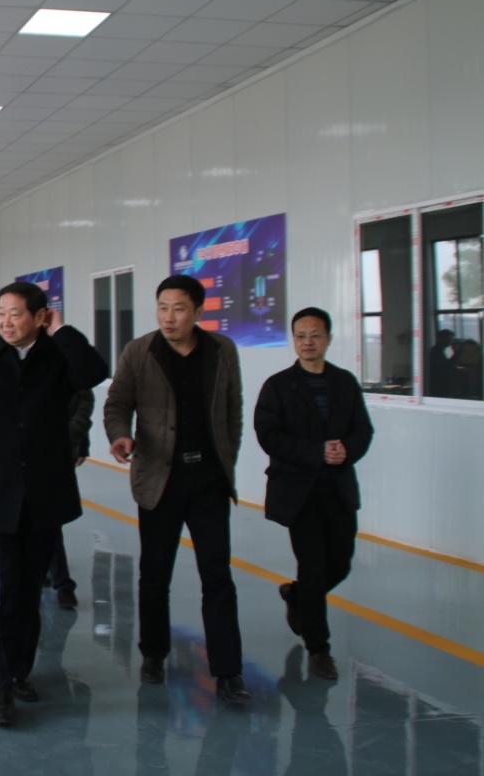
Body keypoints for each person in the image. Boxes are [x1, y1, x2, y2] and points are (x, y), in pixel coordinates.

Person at [0, 281, 107, 726]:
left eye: (16, 313)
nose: (6, 322)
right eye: (1, 314)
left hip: (44, 493)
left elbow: (93, 373)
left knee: (29, 594)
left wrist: (63, 331)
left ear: (40, 316)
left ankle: (19, 671)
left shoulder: (57, 355)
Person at [103, 274, 249, 705]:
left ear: (199, 312)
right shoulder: (139, 351)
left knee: (217, 576)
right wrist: (120, 434)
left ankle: (228, 671)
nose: (169, 317)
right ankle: (153, 653)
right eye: (163, 308)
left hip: (208, 481)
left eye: (179, 309)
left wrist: (227, 460)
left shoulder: (222, 351)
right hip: (158, 479)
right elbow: (117, 402)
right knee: (154, 573)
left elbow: (233, 410)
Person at [254, 307, 373, 680]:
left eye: (315, 335)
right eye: (300, 336)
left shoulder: (344, 382)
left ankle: (297, 595)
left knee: (341, 563)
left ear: (328, 339)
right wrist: (316, 451)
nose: (307, 342)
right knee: (314, 567)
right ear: (294, 340)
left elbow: (363, 429)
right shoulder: (278, 386)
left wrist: (346, 450)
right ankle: (319, 648)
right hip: (299, 493)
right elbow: (268, 434)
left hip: (337, 490)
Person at [49, 388, 95, 610]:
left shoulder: (70, 373)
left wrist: (81, 442)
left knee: (50, 519)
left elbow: (81, 406)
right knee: (44, 519)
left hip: (62, 452)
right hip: (30, 450)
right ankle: (60, 581)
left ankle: (61, 583)